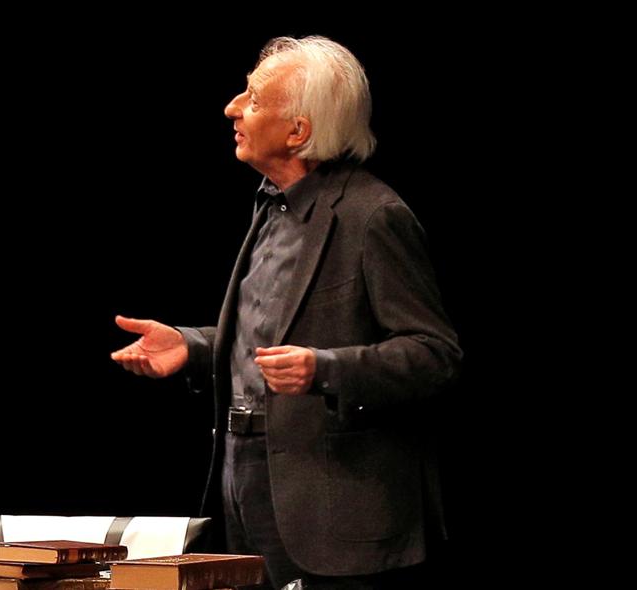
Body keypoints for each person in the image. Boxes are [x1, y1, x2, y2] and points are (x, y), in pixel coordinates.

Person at [111, 36, 460, 589]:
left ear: (298, 132)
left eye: (251, 99)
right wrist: (195, 346)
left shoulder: (374, 216)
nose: (231, 108)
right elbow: (271, 332)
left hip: (332, 505)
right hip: (242, 483)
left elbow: (435, 355)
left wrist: (326, 369)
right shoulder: (270, 206)